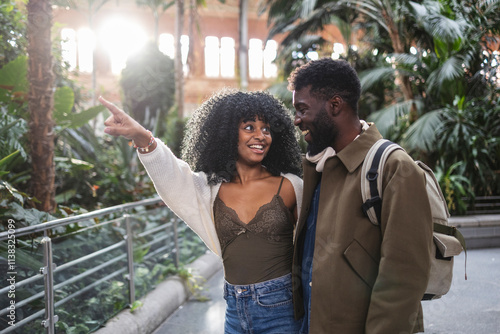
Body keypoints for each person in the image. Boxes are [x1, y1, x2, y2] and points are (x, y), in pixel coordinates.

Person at [99, 89, 304, 333]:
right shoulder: (210, 189)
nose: (260, 136)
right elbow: (173, 177)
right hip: (235, 311)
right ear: (228, 134)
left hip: (282, 308)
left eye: (266, 129)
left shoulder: (292, 185)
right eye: (249, 127)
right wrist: (142, 137)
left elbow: (313, 248)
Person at [288, 57, 433, 333]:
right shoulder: (319, 165)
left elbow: (403, 279)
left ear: (334, 105)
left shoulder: (395, 168)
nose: (297, 120)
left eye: (302, 109)